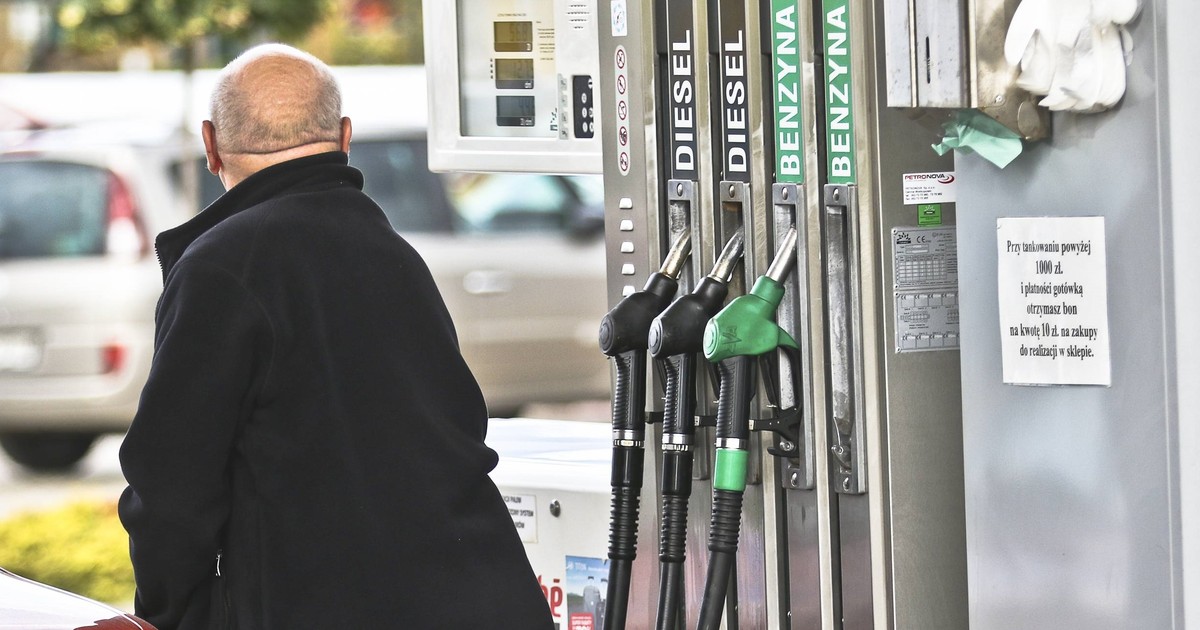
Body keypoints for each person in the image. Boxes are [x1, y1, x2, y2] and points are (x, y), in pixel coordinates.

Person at [117, 43, 554, 630]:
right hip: (482, 593)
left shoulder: (223, 269)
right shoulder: (392, 251)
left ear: (211, 144)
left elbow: (172, 489)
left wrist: (172, 615)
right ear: (346, 136)